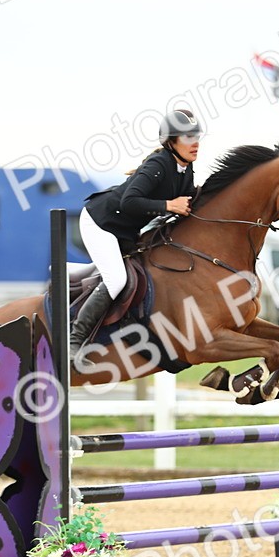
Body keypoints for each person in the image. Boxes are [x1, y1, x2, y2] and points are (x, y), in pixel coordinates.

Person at [71, 108, 202, 369]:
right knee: (117, 278)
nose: (195, 143)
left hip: (126, 231)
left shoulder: (185, 170)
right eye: (187, 137)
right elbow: (130, 201)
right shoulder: (158, 164)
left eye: (197, 136)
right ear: (171, 141)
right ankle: (75, 341)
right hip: (101, 224)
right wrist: (168, 206)